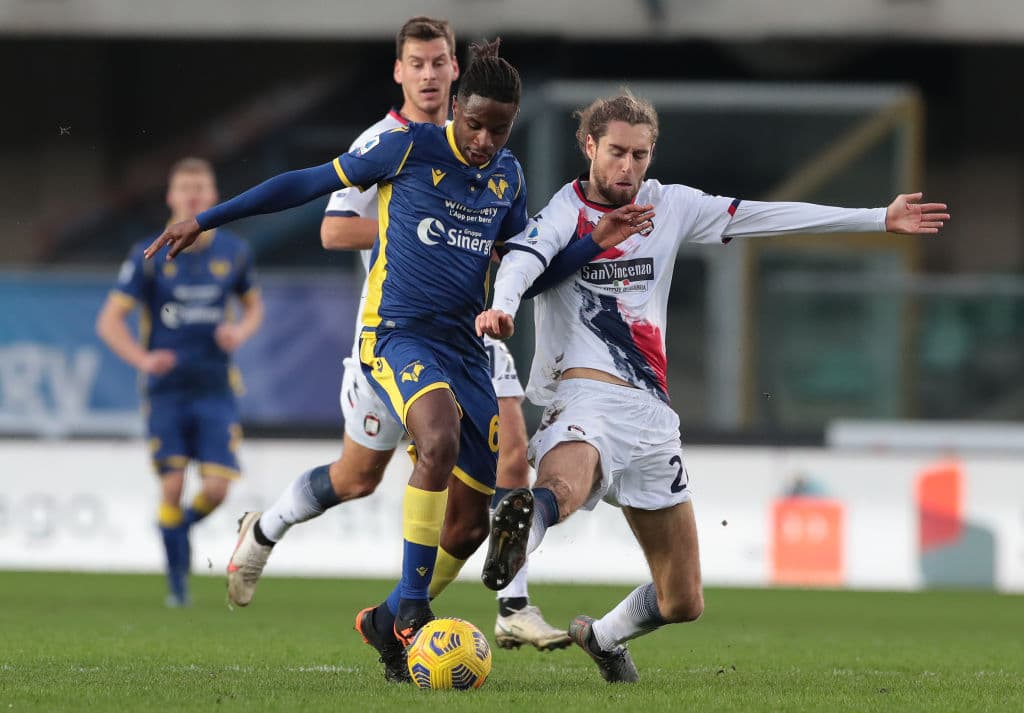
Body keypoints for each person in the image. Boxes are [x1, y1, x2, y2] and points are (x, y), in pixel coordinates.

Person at [143, 41, 650, 682]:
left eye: (500, 128)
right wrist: (207, 219)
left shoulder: (509, 176)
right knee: (431, 439)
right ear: (455, 111)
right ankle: (412, 611)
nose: (486, 139)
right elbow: (306, 183)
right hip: (397, 334)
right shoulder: (407, 147)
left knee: (467, 528)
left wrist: (593, 242)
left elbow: (527, 269)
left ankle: (385, 621)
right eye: (475, 124)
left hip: (466, 348)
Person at [476, 92, 949, 683]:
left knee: (683, 600)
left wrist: (877, 218)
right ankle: (520, 534)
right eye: (617, 152)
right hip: (586, 397)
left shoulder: (670, 206)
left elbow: (764, 216)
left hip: (650, 417)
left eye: (640, 155)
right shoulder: (563, 212)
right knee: (563, 488)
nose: (628, 167)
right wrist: (501, 306)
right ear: (589, 146)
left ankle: (602, 636)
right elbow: (523, 258)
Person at [223, 16, 569, 654]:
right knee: (358, 478)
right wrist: (414, 228)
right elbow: (331, 229)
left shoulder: (498, 163)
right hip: (390, 329)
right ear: (399, 71)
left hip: (469, 332)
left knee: (502, 463)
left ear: (455, 72)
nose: (431, 73)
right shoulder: (389, 142)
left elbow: (513, 242)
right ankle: (266, 529)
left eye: (441, 61)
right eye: (419, 62)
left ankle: (505, 602)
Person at [96, 157, 264, 607]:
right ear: (171, 197)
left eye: (200, 187)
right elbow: (110, 321)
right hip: (167, 391)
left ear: (212, 197)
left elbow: (253, 308)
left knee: (216, 489)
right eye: (184, 187)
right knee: (171, 484)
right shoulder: (148, 255)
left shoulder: (233, 252)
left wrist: (240, 333)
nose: (192, 194)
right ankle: (177, 585)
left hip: (215, 387)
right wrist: (143, 359)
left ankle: (176, 528)